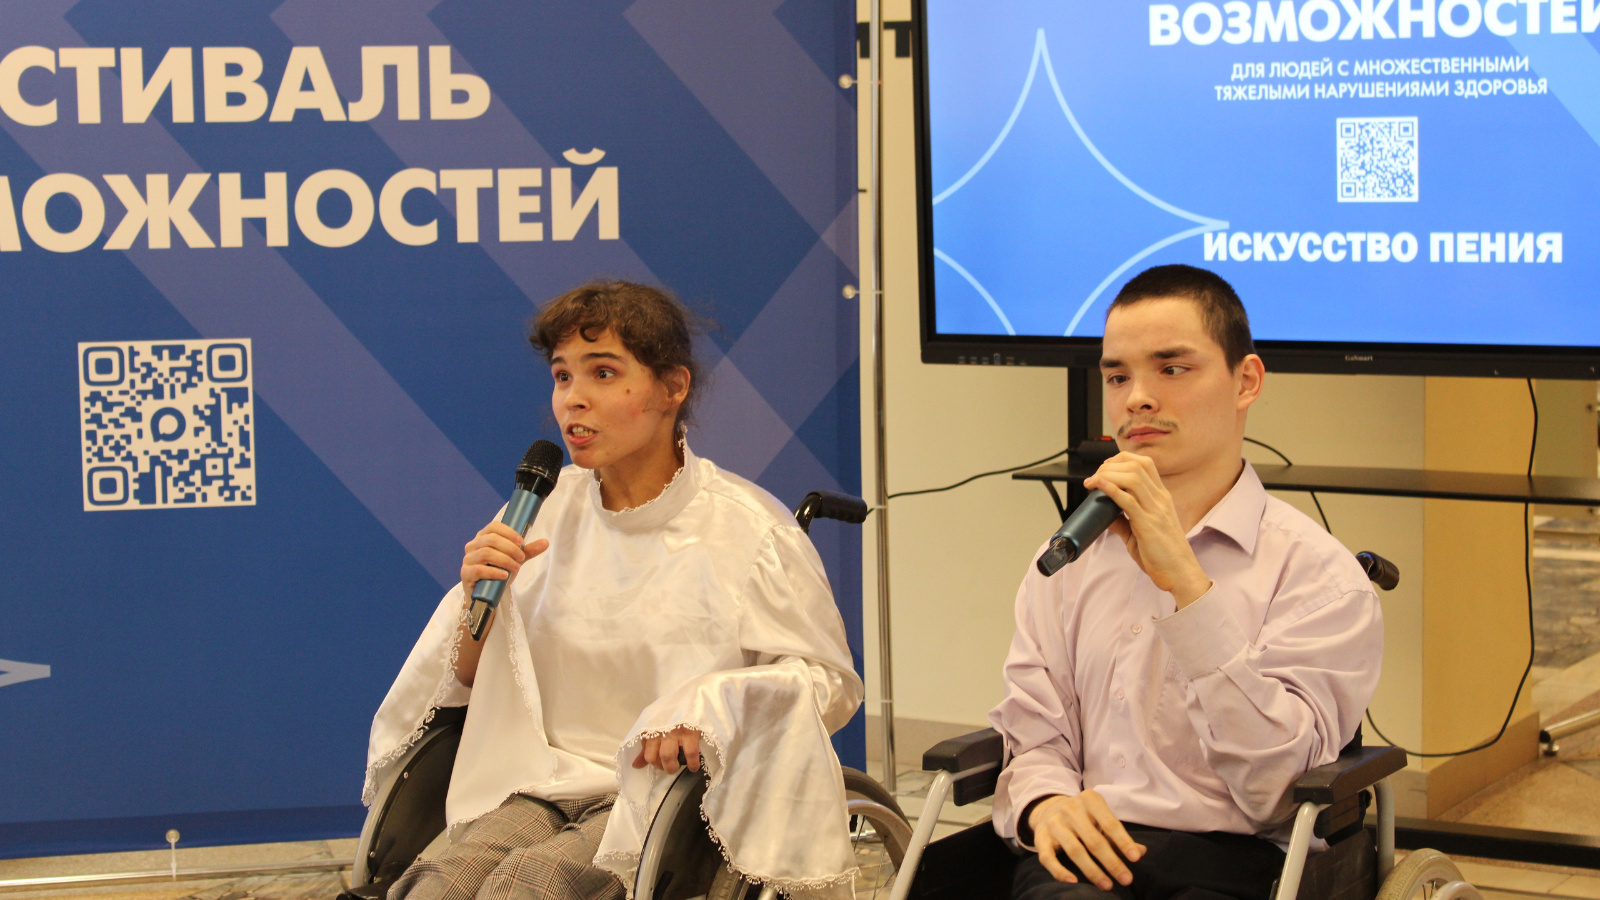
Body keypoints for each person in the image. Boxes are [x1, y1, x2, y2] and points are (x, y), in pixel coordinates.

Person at [364, 281, 863, 900]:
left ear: (672, 388)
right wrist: (477, 599)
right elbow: (465, 679)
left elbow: (828, 685)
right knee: (436, 885)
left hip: (666, 797)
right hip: (538, 783)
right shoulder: (540, 512)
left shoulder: (750, 530)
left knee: (527, 886)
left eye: (603, 373)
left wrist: (717, 703)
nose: (573, 399)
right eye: (562, 376)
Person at [990, 265, 1383, 900]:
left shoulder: (1319, 575)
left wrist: (1189, 589)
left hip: (1239, 863)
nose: (1137, 399)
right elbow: (1035, 731)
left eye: (1172, 369)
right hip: (1086, 853)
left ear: (1245, 381)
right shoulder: (1068, 559)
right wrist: (1045, 802)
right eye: (1118, 377)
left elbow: (1278, 793)